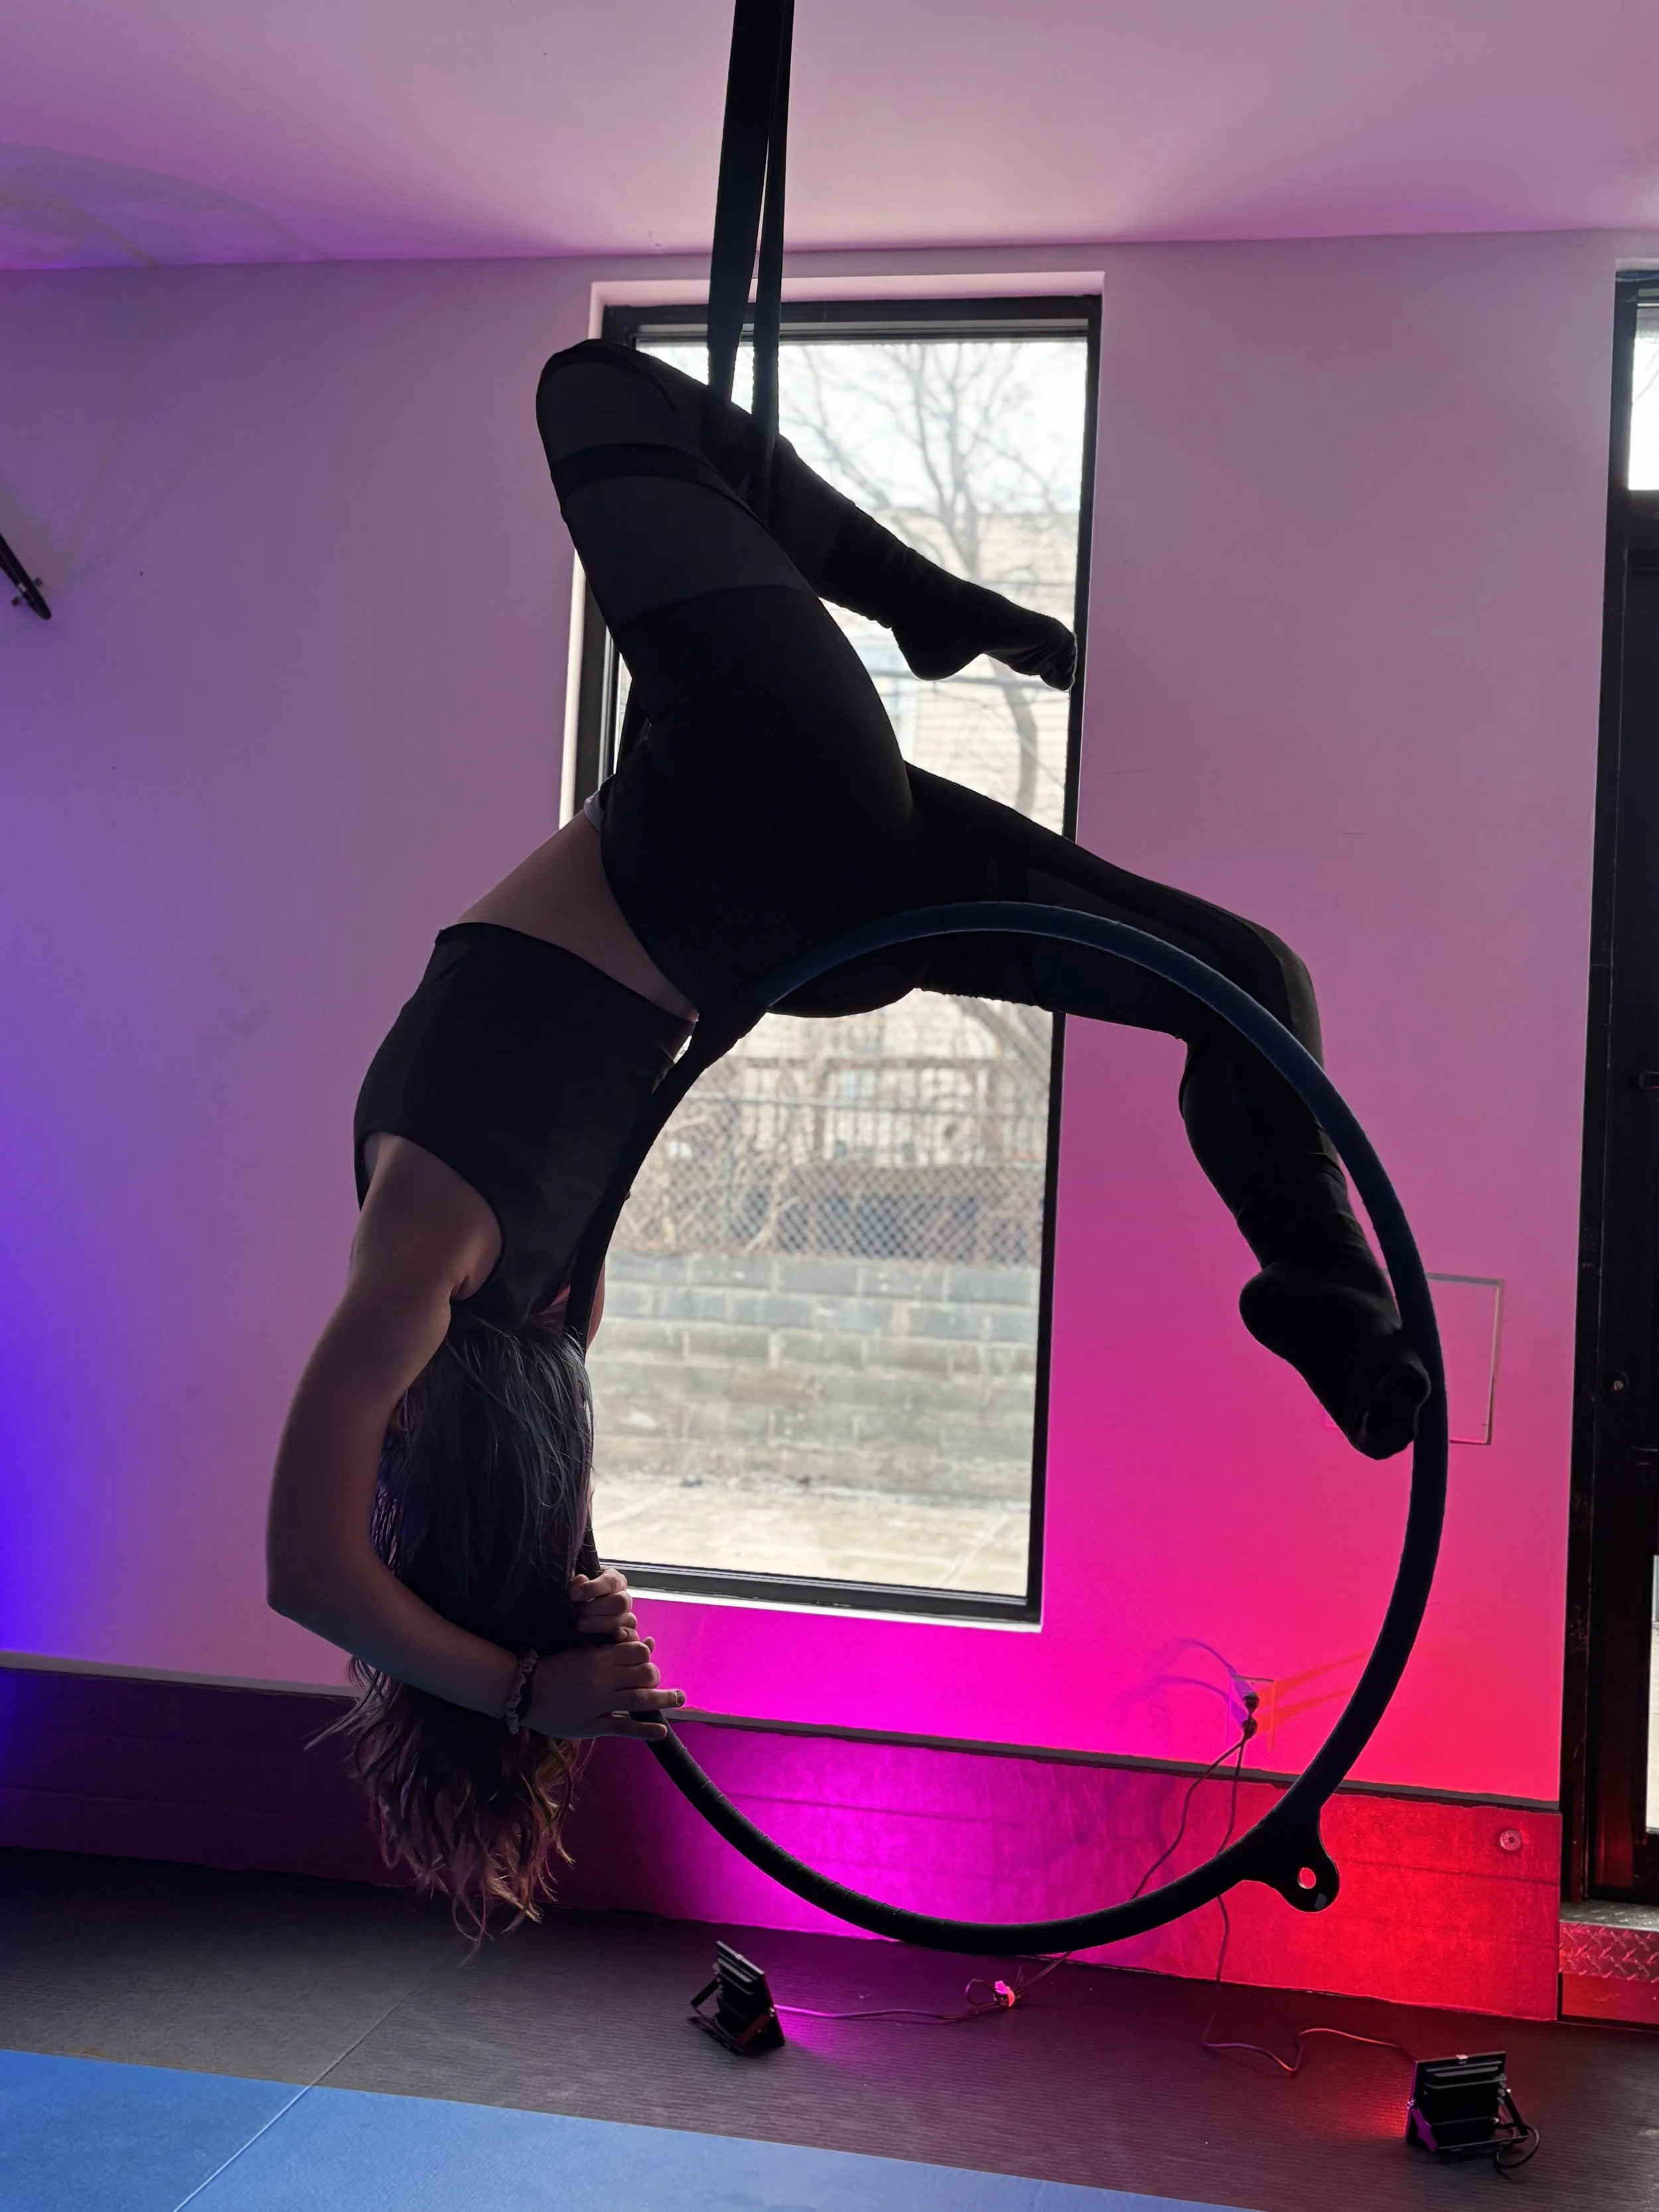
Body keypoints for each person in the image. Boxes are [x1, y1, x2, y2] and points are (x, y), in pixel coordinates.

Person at [266, 339, 1429, 1928]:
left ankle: (1324, 1293)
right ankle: (917, 600)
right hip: (742, 812)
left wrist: (533, 1639)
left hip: (790, 920)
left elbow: (383, 1538)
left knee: (1241, 980)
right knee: (591, 391)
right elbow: (305, 1569)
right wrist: (529, 1676)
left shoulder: (541, 1308)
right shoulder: (425, 1240)